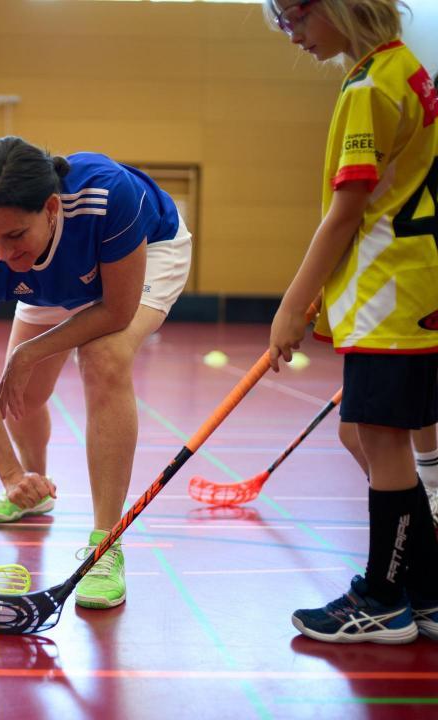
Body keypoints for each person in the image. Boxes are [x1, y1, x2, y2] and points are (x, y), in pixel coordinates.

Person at [0, 136, 192, 610]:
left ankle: (105, 544)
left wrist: (28, 351)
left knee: (102, 358)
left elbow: (117, 311)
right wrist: (11, 474)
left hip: (145, 254)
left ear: (51, 207)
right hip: (53, 275)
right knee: (23, 391)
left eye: (14, 235)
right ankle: (34, 491)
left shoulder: (107, 195)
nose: (0, 252)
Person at [266, 0, 438, 643]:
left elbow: (344, 213)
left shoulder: (369, 87)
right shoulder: (408, 70)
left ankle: (383, 597)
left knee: (380, 439)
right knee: (368, 436)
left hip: (387, 287)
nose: (293, 35)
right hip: (412, 282)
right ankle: (426, 593)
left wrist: (291, 304)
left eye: (297, 17)